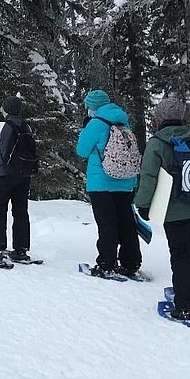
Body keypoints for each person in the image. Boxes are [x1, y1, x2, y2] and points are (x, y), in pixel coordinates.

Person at [135, 97, 190, 321]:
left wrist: (143, 204)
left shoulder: (157, 144)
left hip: (173, 209)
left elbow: (148, 177)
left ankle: (186, 305)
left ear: (160, 119)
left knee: (180, 254)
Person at [76, 89, 141, 277]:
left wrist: (86, 129)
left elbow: (82, 150)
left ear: (92, 107)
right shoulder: (123, 120)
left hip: (101, 182)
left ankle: (106, 262)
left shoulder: (96, 124)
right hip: (126, 181)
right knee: (126, 222)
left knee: (107, 223)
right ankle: (131, 262)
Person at [0, 97, 35, 264]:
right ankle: (21, 249)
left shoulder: (1, 126)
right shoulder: (26, 126)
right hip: (24, 175)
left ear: (4, 110)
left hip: (3, 174)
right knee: (20, 212)